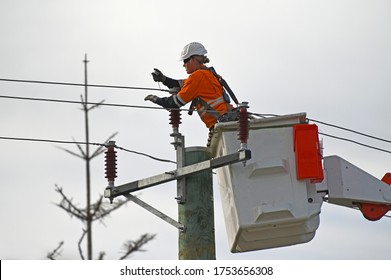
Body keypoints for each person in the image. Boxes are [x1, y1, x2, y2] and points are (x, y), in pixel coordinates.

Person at [144, 42, 237, 145]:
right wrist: (163, 79)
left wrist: (156, 100)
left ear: (193, 59)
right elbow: (180, 84)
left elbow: (175, 103)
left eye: (185, 61)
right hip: (228, 119)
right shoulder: (208, 73)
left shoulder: (198, 77)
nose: (184, 65)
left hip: (223, 124)